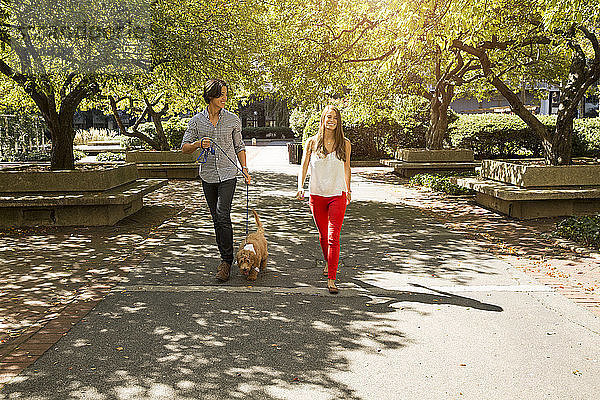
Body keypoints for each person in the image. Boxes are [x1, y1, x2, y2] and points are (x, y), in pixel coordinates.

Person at [181, 79, 251, 282]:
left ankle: (226, 262)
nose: (224, 98)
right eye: (221, 94)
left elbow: (240, 146)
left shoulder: (232, 119)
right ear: (210, 96)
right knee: (216, 218)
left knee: (222, 214)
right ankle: (226, 257)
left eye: (226, 95)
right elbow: (184, 147)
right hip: (208, 175)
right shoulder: (196, 121)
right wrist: (197, 144)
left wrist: (245, 168)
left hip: (229, 174)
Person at [296, 105, 351, 294]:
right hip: (317, 195)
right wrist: (300, 186)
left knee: (333, 236)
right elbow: (303, 166)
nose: (332, 120)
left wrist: (348, 190)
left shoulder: (345, 143)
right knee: (322, 236)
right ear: (323, 119)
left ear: (339, 121)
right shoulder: (312, 143)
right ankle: (329, 262)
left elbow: (347, 168)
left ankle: (332, 279)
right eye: (328, 117)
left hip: (337, 194)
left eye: (335, 117)